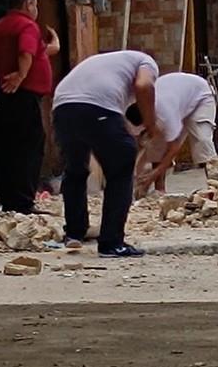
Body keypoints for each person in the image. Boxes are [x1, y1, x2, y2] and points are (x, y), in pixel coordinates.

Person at [52, 50, 160, 258]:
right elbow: (144, 86)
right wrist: (151, 124)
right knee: (121, 167)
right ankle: (112, 242)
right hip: (96, 107)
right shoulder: (147, 61)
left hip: (62, 107)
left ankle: (75, 232)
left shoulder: (109, 62)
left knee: (75, 169)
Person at [0, 0, 57, 214]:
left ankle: (11, 202)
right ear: (28, 4)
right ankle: (23, 203)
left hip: (7, 98)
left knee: (10, 150)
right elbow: (25, 51)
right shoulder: (26, 25)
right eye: (35, 5)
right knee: (29, 150)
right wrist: (19, 75)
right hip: (24, 97)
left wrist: (0, 71)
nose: (36, 10)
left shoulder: (0, 26)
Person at [131, 72, 217, 196]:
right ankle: (159, 191)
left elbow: (174, 147)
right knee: (157, 143)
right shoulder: (139, 104)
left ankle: (215, 187)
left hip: (201, 96)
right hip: (178, 99)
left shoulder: (165, 113)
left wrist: (154, 173)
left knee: (202, 140)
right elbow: (143, 144)